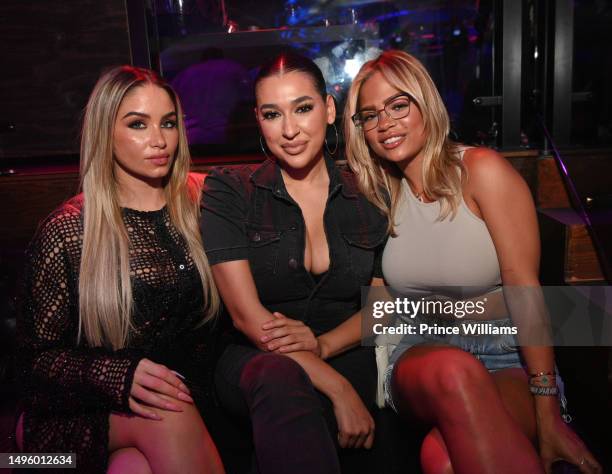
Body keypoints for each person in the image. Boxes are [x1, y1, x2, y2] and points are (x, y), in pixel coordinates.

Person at [343, 50, 602, 474]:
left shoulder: (482, 170)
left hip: (504, 351)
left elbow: (524, 287)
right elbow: (380, 307)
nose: (384, 123)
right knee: (454, 369)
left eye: (398, 105)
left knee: (441, 460)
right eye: (369, 115)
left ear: (425, 102)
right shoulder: (378, 195)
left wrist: (547, 407)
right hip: (419, 350)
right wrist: (319, 350)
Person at [17, 66, 225, 474]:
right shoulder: (69, 229)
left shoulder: (200, 206)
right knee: (167, 410)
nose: (159, 140)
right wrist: (117, 375)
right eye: (137, 124)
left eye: (168, 123)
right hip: (61, 432)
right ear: (104, 132)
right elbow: (29, 367)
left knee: (132, 467)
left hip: (173, 414)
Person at [201, 52, 388, 474]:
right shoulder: (230, 190)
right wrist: (337, 388)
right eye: (272, 114)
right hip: (257, 359)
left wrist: (324, 348)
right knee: (282, 381)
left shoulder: (369, 190)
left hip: (347, 349)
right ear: (258, 120)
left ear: (329, 109)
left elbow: (381, 308)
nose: (289, 130)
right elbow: (249, 319)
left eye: (303, 108)